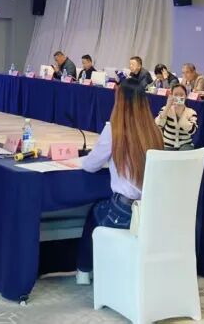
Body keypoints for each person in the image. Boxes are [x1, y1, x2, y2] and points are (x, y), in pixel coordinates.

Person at [76, 78, 164, 284]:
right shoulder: (154, 131)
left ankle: (83, 271)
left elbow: (91, 165)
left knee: (95, 211)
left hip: (124, 213)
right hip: (152, 212)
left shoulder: (113, 130)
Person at [155, 83, 198, 150]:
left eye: (181, 95)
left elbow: (192, 131)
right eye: (175, 95)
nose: (178, 97)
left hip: (185, 144)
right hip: (168, 145)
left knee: (186, 152)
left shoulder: (191, 112)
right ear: (171, 96)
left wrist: (181, 114)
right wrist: (167, 106)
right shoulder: (166, 109)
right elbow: (158, 125)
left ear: (186, 96)